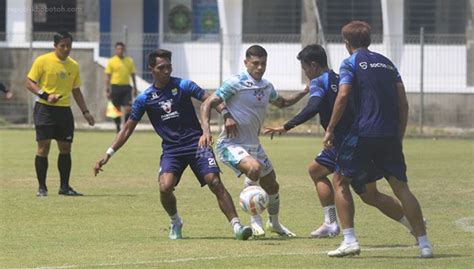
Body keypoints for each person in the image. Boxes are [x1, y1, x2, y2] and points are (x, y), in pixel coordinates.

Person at [264, 44, 419, 240]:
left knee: (369, 195)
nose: (305, 74)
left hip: (348, 145)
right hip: (351, 140)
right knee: (317, 171)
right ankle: (331, 223)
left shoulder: (319, 81)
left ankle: (411, 223)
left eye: (304, 69)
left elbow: (314, 106)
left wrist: (286, 126)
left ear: (313, 65)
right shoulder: (339, 78)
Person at [94, 49, 252, 241]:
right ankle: (175, 221)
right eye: (162, 68)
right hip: (172, 150)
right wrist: (108, 154)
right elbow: (127, 129)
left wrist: (226, 114)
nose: (167, 71)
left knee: (215, 181)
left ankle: (237, 226)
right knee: (165, 187)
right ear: (151, 69)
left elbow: (210, 99)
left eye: (169, 67)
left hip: (197, 143)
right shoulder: (145, 98)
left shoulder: (183, 85)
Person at [322, 21, 433, 258]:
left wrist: (330, 128)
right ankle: (424, 244)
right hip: (389, 135)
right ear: (369, 40)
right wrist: (399, 133)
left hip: (363, 132)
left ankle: (349, 240)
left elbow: (342, 96)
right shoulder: (388, 64)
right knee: (401, 188)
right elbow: (403, 103)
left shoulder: (349, 63)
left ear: (346, 43)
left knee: (339, 180)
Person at [200, 45, 308, 238]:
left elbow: (283, 102)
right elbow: (208, 103)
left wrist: (305, 91)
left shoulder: (266, 86)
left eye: (263, 63)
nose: (259, 67)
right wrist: (208, 130)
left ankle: (274, 224)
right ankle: (255, 220)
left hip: (253, 145)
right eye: (255, 63)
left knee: (273, 186)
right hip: (230, 144)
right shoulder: (236, 82)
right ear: (246, 63)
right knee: (254, 169)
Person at [26, 32, 95, 197]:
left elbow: (76, 90)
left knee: (66, 148)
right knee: (43, 148)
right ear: (55, 46)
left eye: (68, 45)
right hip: (44, 109)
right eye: (62, 45)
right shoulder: (42, 61)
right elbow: (29, 83)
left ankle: (64, 187)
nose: (66, 49)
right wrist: (46, 95)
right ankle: (42, 187)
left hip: (64, 111)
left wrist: (85, 112)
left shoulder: (74, 65)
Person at [105, 42, 138, 132]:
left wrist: (135, 87)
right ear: (115, 50)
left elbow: (133, 74)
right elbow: (108, 76)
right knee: (116, 109)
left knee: (128, 108)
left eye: (121, 49)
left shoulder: (129, 61)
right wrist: (108, 89)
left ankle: (125, 126)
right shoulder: (111, 61)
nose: (120, 50)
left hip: (126, 87)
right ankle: (118, 127)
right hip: (115, 87)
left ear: (124, 50)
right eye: (118, 49)